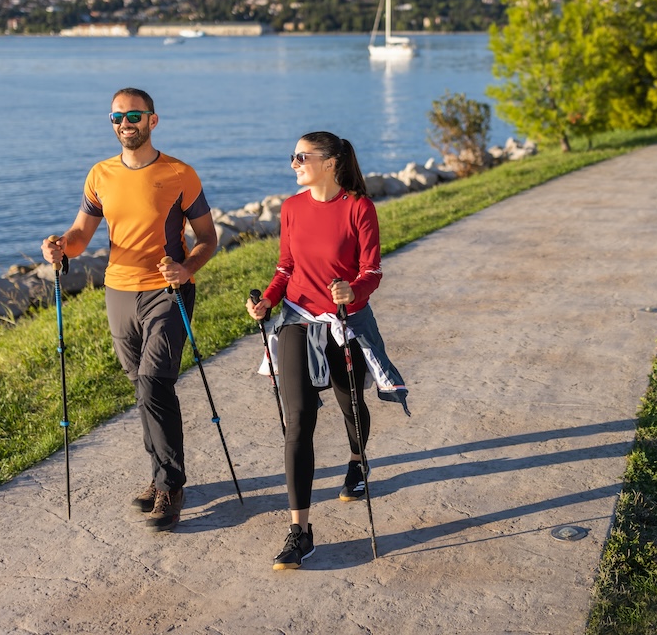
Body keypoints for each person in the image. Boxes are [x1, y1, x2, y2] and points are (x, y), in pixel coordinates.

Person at [42, 87, 218, 532]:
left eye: (134, 116)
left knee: (155, 384)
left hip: (167, 292)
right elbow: (82, 233)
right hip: (118, 291)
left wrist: (185, 268)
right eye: (117, 117)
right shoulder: (100, 175)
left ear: (152, 121)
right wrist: (62, 247)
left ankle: (170, 486)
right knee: (140, 387)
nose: (125, 124)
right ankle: (160, 473)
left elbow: (208, 239)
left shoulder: (180, 173)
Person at [246, 131, 407, 570]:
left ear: (330, 162)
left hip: (345, 322)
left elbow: (371, 270)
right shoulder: (292, 208)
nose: (294, 163)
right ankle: (301, 531)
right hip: (298, 319)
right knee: (298, 420)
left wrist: (350, 290)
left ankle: (357, 461)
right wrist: (268, 301)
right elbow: (285, 267)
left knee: (350, 402)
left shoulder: (358, 207)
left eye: (302, 156)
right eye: (293, 156)